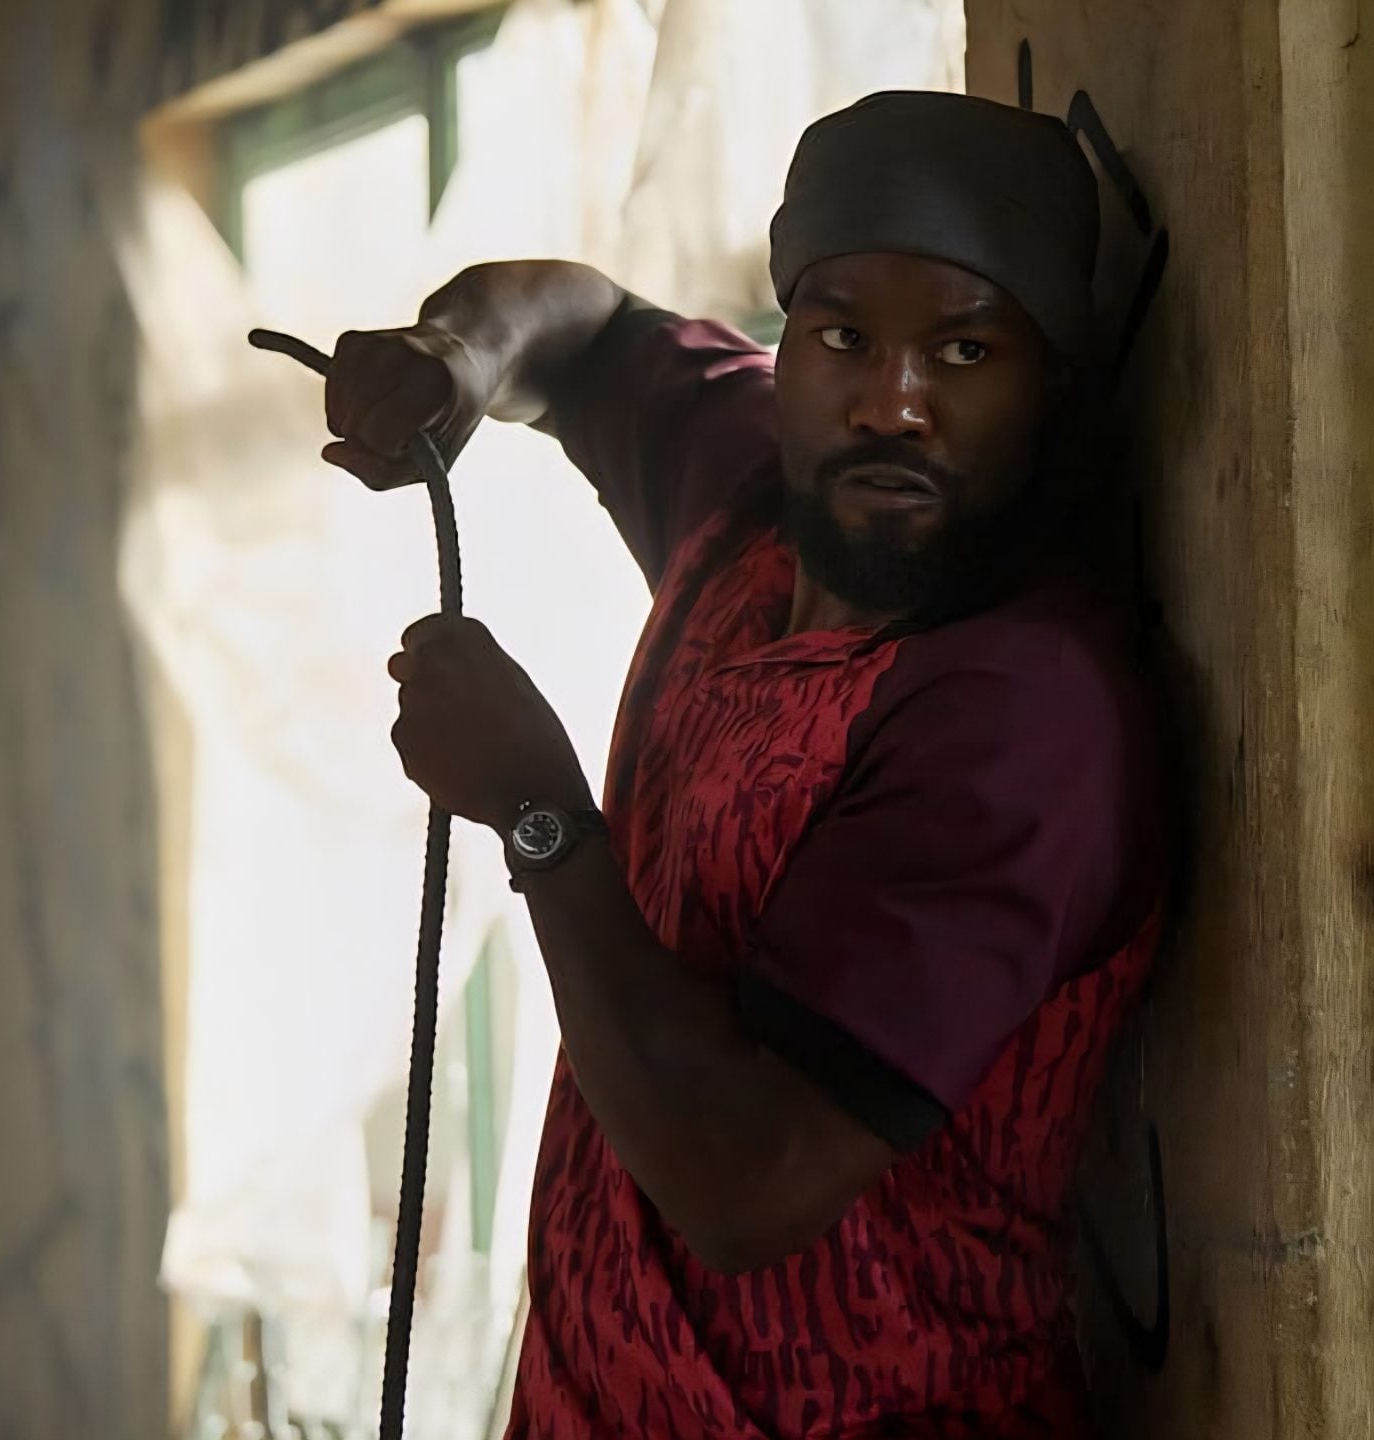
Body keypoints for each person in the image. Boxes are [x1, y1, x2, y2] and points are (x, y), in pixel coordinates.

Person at [319, 90, 1171, 1438]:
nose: (893, 404)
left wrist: (539, 814)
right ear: (789, 349)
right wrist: (457, 356)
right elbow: (588, 332)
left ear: (1048, 384)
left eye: (964, 350)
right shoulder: (755, 505)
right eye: (843, 337)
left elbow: (746, 1185)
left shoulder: (1021, 720)